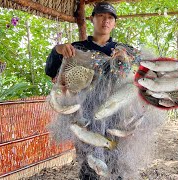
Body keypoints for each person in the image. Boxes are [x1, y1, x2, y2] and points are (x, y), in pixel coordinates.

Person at [45, 2, 131, 179]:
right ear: (92, 19)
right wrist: (58, 50)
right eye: (101, 16)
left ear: (114, 23)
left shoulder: (122, 50)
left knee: (116, 164)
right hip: (85, 116)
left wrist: (124, 61)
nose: (105, 21)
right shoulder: (76, 48)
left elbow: (132, 80)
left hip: (115, 115)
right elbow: (51, 71)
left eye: (110, 18)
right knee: (90, 164)